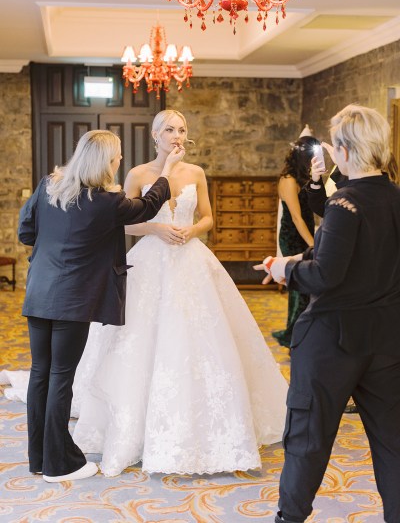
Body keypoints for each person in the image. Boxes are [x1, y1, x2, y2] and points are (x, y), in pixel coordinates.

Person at [70, 109, 288, 477]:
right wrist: (156, 229)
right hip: (151, 262)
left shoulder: (196, 173)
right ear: (155, 136)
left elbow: (208, 217)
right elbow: (124, 221)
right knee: (139, 337)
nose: (176, 135)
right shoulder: (138, 174)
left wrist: (191, 231)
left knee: (200, 337)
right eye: (168, 129)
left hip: (191, 261)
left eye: (181, 129)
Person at [18, 129, 184, 483]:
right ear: (105, 162)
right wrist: (167, 171)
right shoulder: (107, 202)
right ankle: (58, 465)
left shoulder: (50, 186)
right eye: (117, 156)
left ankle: (39, 457)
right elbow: (148, 206)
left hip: (39, 293)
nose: (121, 160)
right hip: (72, 300)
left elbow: (25, 232)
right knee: (61, 377)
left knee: (41, 374)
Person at [263, 104, 400, 523]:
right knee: (392, 443)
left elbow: (324, 274)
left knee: (308, 438)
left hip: (332, 343)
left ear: (341, 150)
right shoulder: (392, 197)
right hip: (387, 341)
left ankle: (290, 517)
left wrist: (284, 267)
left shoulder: (345, 204)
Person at [256, 135, 316, 348]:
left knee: (302, 288)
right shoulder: (289, 180)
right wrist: (313, 244)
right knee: (301, 288)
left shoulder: (303, 177)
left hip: (304, 232)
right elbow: (296, 217)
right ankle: (295, 333)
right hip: (293, 236)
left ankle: (296, 329)